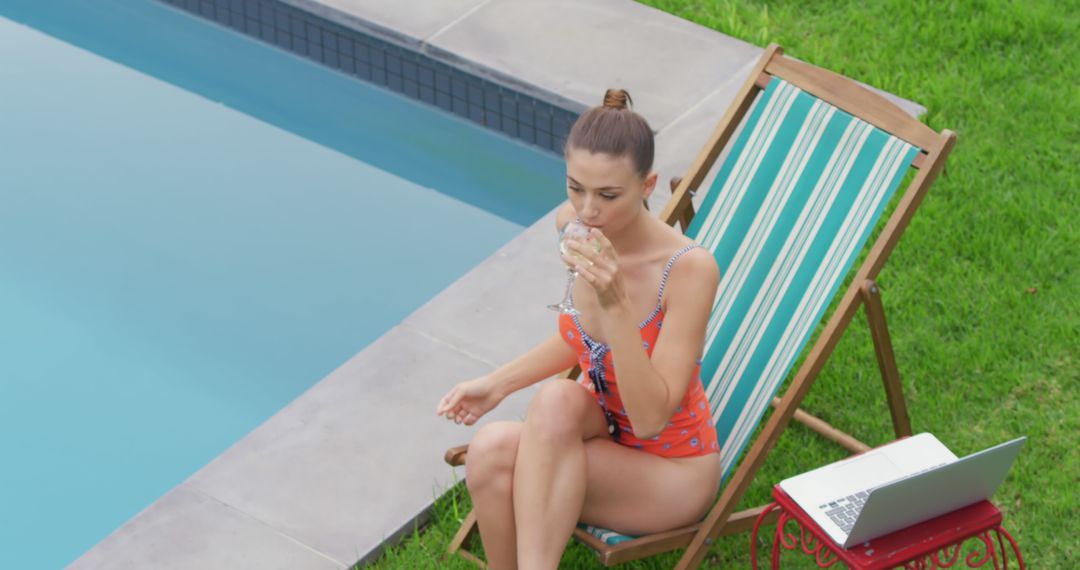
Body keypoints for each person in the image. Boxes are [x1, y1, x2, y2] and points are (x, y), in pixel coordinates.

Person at [435, 88, 722, 570]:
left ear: (648, 184)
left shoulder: (688, 270)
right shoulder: (577, 228)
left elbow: (651, 416)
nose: (588, 210)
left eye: (609, 195)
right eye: (575, 188)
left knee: (523, 455)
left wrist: (616, 305)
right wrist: (497, 385)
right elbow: (581, 340)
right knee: (496, 443)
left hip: (670, 470)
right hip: (603, 431)